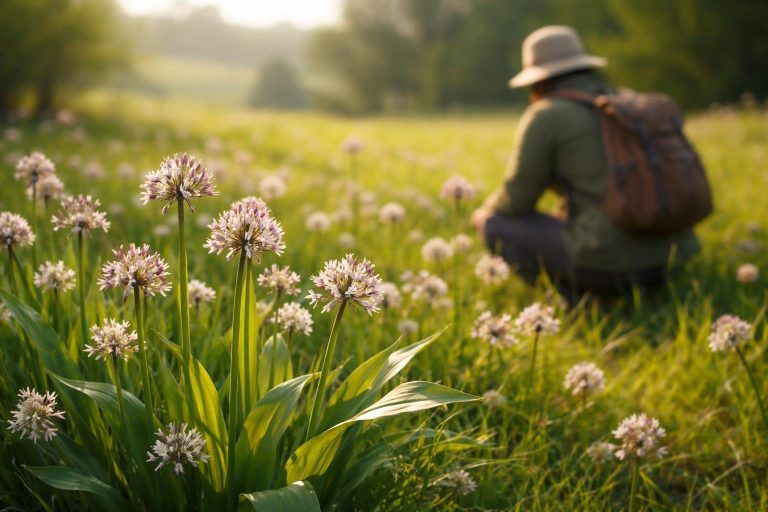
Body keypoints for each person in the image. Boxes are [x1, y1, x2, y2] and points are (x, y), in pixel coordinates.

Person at [471, 25, 701, 298]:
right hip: (675, 257)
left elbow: (516, 200)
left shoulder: (546, 114)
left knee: (495, 224)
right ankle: (651, 290)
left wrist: (481, 214)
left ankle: (576, 301)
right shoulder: (627, 101)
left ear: (538, 81)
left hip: (609, 266)